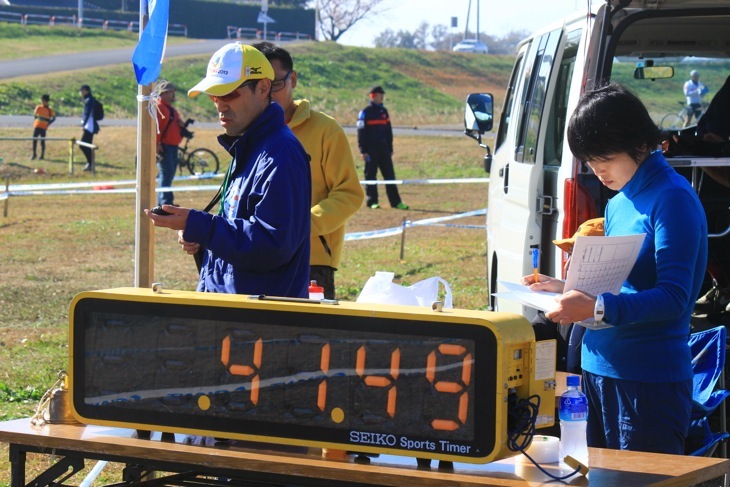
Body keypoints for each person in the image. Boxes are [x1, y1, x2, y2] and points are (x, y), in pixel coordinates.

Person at [523, 84, 708, 455]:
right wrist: (564, 287)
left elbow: (674, 297)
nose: (597, 170)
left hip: (648, 380)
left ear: (637, 142)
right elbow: (617, 282)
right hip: (597, 369)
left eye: (602, 157)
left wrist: (595, 308)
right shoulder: (619, 201)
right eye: (589, 161)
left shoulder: (672, 197)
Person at [145, 42, 312, 298]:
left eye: (230, 94)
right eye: (214, 95)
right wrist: (203, 240)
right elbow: (241, 230)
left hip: (260, 323)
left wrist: (202, 226)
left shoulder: (281, 154)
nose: (220, 106)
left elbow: (272, 246)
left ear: (263, 88)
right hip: (234, 314)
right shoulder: (250, 146)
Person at [252, 41, 364, 300]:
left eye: (275, 85)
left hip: (311, 262)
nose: (268, 94)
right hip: (257, 258)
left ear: (293, 79)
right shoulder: (248, 133)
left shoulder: (326, 130)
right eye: (258, 87)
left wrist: (301, 226)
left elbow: (348, 194)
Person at [357, 86, 408, 210]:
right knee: (371, 176)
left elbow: (388, 131)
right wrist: (363, 150)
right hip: (370, 151)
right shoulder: (365, 112)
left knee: (390, 176)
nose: (382, 98)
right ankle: (372, 201)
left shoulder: (384, 112)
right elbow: (361, 132)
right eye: (380, 95)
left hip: (384, 150)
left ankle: (396, 202)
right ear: (373, 96)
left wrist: (390, 147)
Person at [155, 82, 185, 206]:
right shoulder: (160, 108)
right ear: (165, 93)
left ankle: (165, 202)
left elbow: (176, 122)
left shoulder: (169, 108)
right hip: (165, 146)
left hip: (172, 146)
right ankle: (165, 203)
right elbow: (156, 128)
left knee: (169, 173)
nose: (173, 94)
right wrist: (157, 144)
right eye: (171, 92)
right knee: (166, 174)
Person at [79, 84, 99, 171]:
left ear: (86, 91)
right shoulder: (90, 99)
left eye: (82, 90)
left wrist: (83, 124)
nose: (81, 92)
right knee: (87, 145)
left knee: (83, 145)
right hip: (89, 125)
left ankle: (90, 163)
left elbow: (87, 114)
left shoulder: (89, 100)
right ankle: (90, 163)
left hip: (89, 126)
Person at [31, 94, 55, 161]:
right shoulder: (38, 107)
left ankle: (42, 155)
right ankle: (34, 154)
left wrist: (48, 124)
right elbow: (35, 115)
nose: (42, 102)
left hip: (43, 127)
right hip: (37, 126)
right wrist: (36, 121)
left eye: (43, 101)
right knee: (34, 140)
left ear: (46, 101)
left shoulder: (50, 110)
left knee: (42, 141)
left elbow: (54, 118)